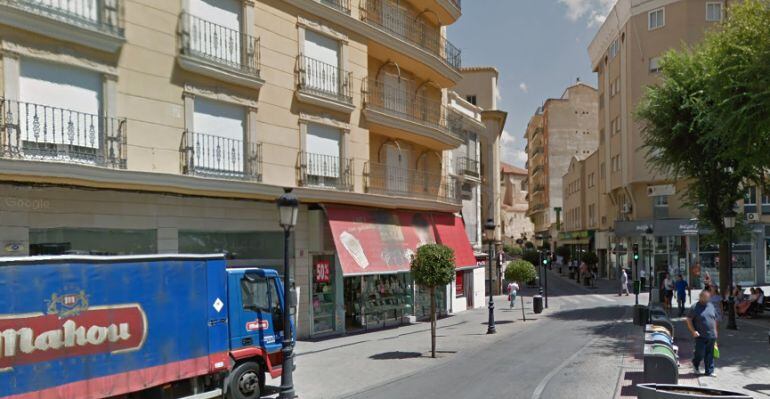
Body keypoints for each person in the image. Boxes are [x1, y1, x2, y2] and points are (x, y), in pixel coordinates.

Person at [686, 289, 719, 377]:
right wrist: (693, 331)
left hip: (711, 335)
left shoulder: (711, 306)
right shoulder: (694, 307)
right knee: (700, 353)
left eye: (708, 298)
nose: (707, 299)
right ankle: (695, 364)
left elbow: (714, 319)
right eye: (705, 298)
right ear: (700, 297)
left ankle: (709, 371)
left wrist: (716, 331)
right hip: (700, 335)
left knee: (710, 353)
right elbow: (689, 320)